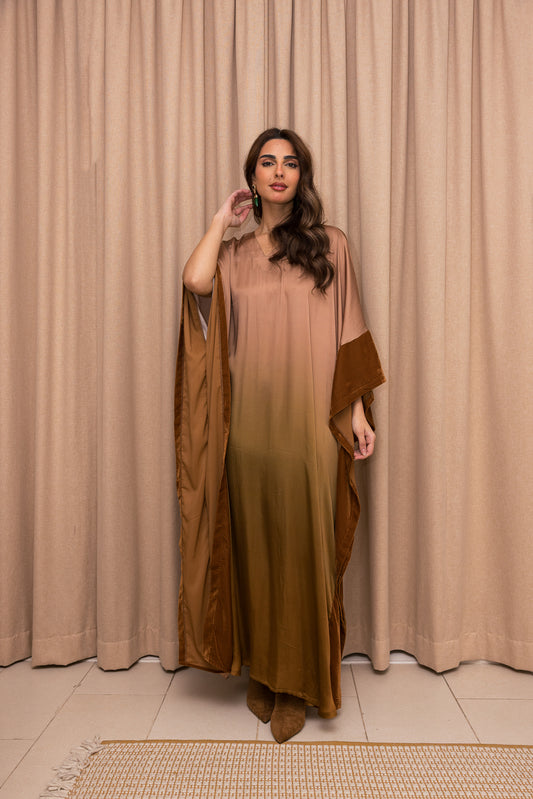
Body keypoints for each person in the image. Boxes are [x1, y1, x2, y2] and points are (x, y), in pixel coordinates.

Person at [175, 128, 385, 743]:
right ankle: (264, 673)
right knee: (256, 548)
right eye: (267, 162)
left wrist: (357, 412)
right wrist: (221, 220)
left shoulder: (330, 245)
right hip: (248, 426)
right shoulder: (234, 254)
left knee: (304, 549)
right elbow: (194, 281)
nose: (278, 172)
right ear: (253, 176)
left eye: (290, 163)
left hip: (310, 422)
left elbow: (349, 327)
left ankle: (299, 683)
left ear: (301, 177)